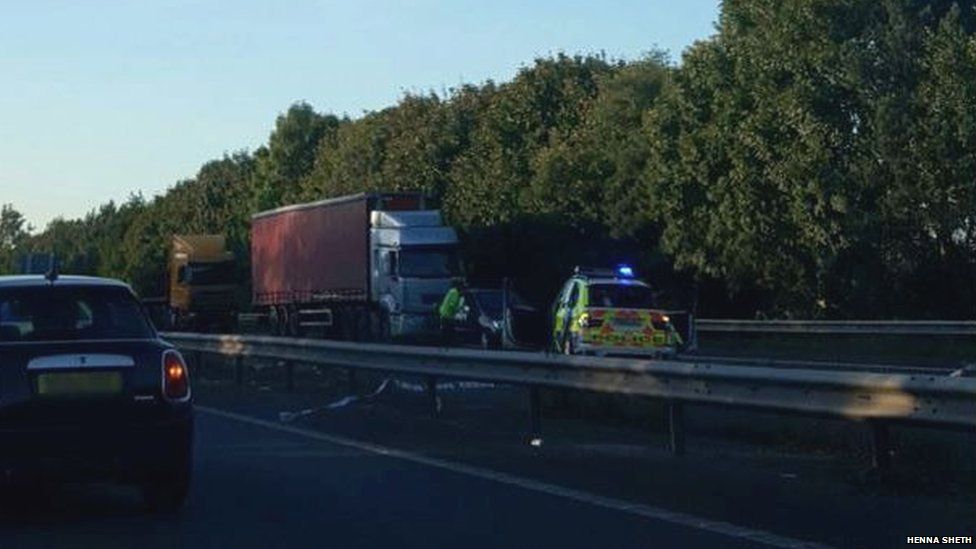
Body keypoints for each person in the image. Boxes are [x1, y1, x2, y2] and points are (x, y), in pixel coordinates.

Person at [438, 279, 465, 344]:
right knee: (449, 329)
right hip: (448, 314)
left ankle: (445, 341)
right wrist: (458, 309)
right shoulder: (455, 293)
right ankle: (448, 342)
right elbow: (452, 304)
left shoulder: (451, 291)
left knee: (445, 328)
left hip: (443, 312)